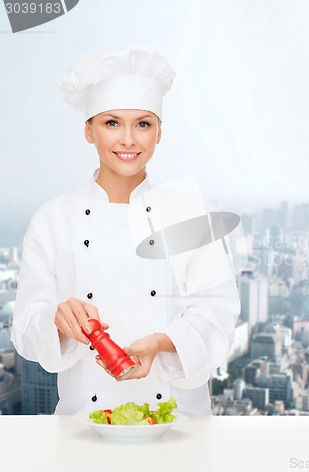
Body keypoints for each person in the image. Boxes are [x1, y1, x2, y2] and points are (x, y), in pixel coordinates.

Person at [11, 45, 241, 416]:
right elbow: (24, 328)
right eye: (112, 123)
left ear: (159, 133)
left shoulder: (194, 214)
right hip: (84, 421)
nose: (129, 140)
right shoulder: (53, 219)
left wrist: (160, 342)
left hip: (177, 422)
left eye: (143, 124)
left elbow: (218, 318)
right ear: (89, 131)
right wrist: (56, 319)